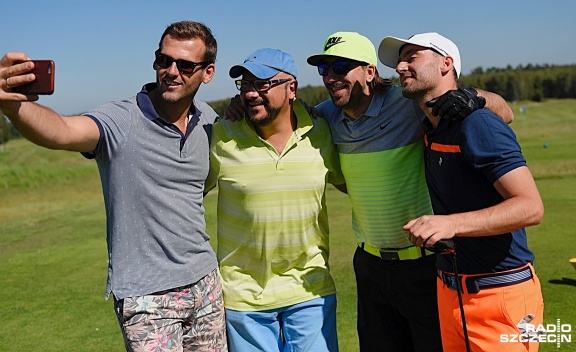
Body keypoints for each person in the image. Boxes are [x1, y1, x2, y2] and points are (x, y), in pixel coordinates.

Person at [0, 21, 227, 352]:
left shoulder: (208, 119)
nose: (172, 71)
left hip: (205, 284)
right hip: (147, 298)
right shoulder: (121, 120)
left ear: (207, 72)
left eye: (186, 65)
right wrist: (13, 106)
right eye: (164, 60)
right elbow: (62, 131)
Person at [303, 31, 515, 352]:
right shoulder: (327, 116)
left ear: (369, 72)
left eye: (341, 67)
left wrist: (473, 97)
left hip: (426, 263)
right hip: (370, 264)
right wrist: (239, 104)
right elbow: (279, 111)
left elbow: (505, 111)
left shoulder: (408, 103)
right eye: (324, 70)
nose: (331, 77)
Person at [379, 32, 544, 352]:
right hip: (451, 293)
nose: (400, 66)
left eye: (412, 57)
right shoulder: (432, 126)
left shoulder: (476, 124)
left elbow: (531, 207)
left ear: (446, 63)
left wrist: (450, 223)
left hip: (502, 295)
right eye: (399, 60)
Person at [205, 48, 346, 351]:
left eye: (262, 84)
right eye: (245, 85)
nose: (252, 93)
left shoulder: (321, 131)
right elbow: (187, 194)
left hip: (311, 290)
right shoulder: (222, 135)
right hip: (243, 298)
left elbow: (352, 184)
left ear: (291, 88)